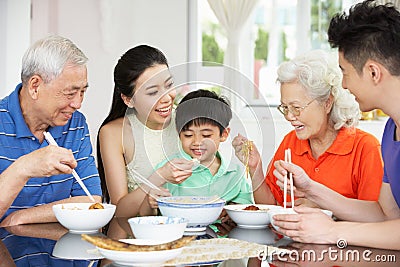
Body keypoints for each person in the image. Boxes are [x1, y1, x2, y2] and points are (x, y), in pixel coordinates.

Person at [272, 0, 400, 250]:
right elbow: (385, 215)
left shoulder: (369, 143)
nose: (343, 85)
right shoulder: (390, 131)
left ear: (374, 73)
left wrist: (332, 230)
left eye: (345, 72)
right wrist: (312, 189)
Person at [232, 49, 383, 209]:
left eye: (296, 107)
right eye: (285, 107)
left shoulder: (365, 148)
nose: (289, 116)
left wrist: (323, 210)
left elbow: (375, 220)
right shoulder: (291, 142)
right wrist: (255, 168)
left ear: (327, 103)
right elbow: (270, 206)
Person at [0, 35, 102, 226]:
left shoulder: (74, 124)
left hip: (57, 250)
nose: (78, 103)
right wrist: (24, 168)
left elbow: (91, 200)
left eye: (82, 92)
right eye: (70, 93)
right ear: (35, 86)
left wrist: (21, 218)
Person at [97, 45, 193, 219]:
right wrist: (160, 175)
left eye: (169, 85)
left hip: (187, 230)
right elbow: (119, 210)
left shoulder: (187, 121)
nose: (166, 98)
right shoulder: (113, 133)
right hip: (135, 235)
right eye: (153, 92)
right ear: (128, 100)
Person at [149, 89, 253, 208]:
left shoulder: (235, 172)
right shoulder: (169, 170)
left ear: (223, 134)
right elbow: (148, 212)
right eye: (188, 135)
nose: (197, 142)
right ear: (179, 133)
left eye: (206, 135)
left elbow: (244, 207)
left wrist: (229, 212)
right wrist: (150, 202)